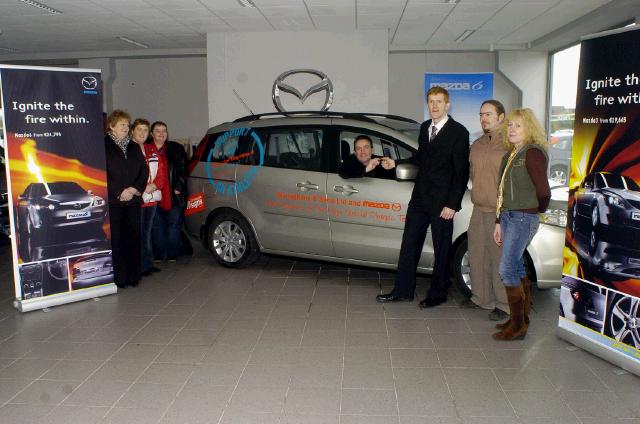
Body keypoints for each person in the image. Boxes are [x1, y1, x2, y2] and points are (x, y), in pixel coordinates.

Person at [377, 86, 469, 308]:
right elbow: (420, 157)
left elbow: (461, 172)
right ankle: (403, 290)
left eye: (439, 101)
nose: (434, 106)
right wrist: (396, 163)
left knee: (442, 248)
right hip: (420, 198)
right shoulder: (426, 127)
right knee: (409, 244)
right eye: (431, 101)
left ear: (447, 105)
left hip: (443, 202)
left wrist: (452, 204)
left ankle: (438, 293)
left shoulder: (459, 132)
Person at [492, 108, 550, 341]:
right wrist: (498, 221)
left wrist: (536, 211)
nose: (512, 129)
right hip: (508, 216)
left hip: (523, 217)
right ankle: (521, 319)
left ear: (530, 129)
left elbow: (543, 191)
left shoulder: (532, 153)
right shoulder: (511, 154)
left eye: (518, 125)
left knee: (506, 268)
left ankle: (517, 326)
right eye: (510, 125)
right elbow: (502, 193)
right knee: (515, 267)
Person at [462, 100, 510, 321]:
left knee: (498, 258)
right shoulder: (478, 144)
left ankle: (504, 304)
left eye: (489, 114)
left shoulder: (509, 144)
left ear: (501, 117)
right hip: (478, 209)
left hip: (500, 212)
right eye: (481, 115)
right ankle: (481, 298)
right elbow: (472, 174)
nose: (484, 119)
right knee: (477, 254)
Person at [104, 110, 148, 288]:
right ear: (111, 126)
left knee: (133, 237)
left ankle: (133, 275)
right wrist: (119, 191)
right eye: (122, 124)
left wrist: (134, 189)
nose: (126, 127)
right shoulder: (103, 145)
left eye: (127, 124)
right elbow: (102, 174)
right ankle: (120, 277)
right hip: (115, 201)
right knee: (117, 239)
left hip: (133, 200)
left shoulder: (133, 146)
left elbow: (144, 170)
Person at [130, 118, 166, 277]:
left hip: (151, 198)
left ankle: (146, 264)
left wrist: (154, 186)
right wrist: (141, 188)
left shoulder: (151, 149)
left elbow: (162, 173)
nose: (142, 133)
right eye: (139, 130)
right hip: (136, 199)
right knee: (135, 234)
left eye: (145, 130)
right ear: (133, 131)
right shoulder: (128, 150)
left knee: (147, 232)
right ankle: (136, 265)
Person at [150, 121, 188, 262]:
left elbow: (185, 169)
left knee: (173, 226)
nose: (161, 133)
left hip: (174, 195)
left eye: (164, 130)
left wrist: (179, 186)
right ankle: (160, 254)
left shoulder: (176, 148)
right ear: (152, 133)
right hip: (153, 196)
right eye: (158, 130)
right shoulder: (146, 149)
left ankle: (173, 253)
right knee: (157, 227)